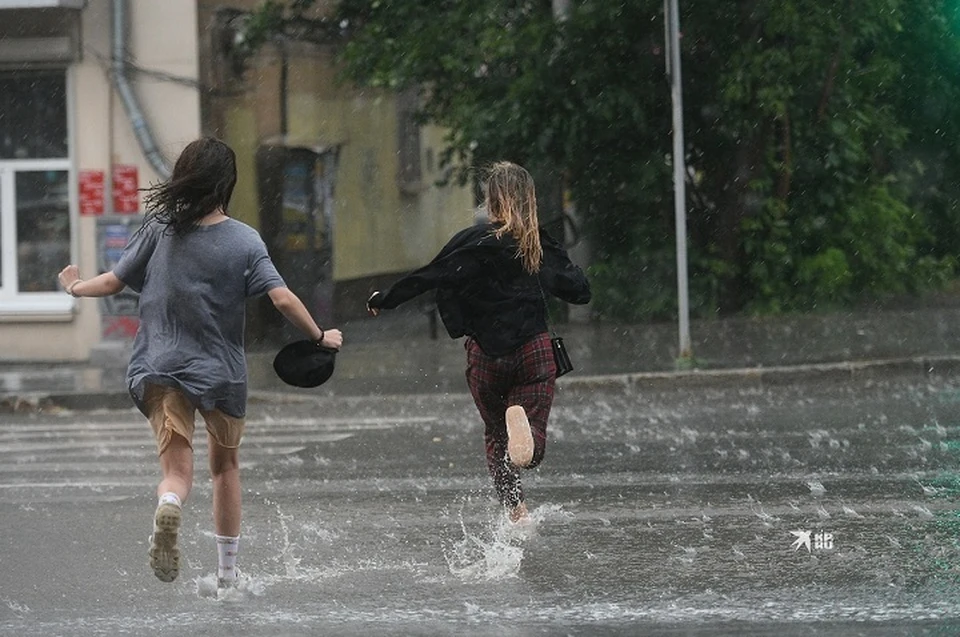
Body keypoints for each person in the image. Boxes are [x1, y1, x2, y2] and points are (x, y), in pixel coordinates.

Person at [57, 137, 343, 586]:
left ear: (183, 177)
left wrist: (74, 287)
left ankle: (169, 505)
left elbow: (112, 282)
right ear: (226, 184)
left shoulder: (159, 228)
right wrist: (320, 336)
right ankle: (227, 575)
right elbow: (282, 297)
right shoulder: (244, 239)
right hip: (220, 373)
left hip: (159, 367)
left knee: (176, 473)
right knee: (225, 468)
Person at [366, 161, 590, 522]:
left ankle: (515, 508)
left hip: (485, 356)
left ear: (491, 200)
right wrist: (560, 270)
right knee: (530, 441)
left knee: (496, 439)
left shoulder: (471, 242)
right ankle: (526, 428)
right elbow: (580, 292)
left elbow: (429, 276)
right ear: (528, 200)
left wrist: (385, 298)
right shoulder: (539, 243)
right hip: (532, 350)